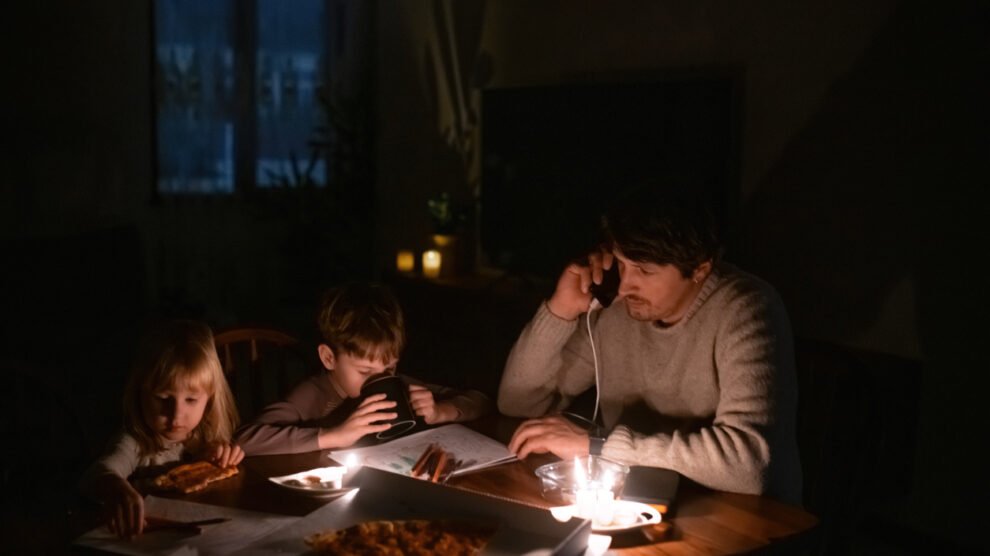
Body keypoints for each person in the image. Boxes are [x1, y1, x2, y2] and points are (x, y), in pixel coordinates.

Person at [498, 186, 803, 505]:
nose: (626, 285)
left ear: (700, 269)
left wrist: (599, 446)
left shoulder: (746, 308)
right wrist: (560, 310)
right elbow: (518, 403)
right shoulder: (616, 309)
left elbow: (749, 464)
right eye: (621, 263)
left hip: (737, 513)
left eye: (644, 270)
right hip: (638, 497)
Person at [235, 282, 492, 455]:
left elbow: (480, 400)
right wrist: (335, 436)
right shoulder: (316, 393)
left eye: (389, 368)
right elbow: (244, 439)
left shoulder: (396, 384)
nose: (380, 378)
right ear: (328, 358)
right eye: (365, 372)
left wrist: (441, 411)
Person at [79, 320, 243, 539]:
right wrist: (115, 488)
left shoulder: (204, 438)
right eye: (163, 398)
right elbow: (95, 476)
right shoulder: (134, 441)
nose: (176, 415)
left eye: (191, 400)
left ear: (210, 398)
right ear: (140, 392)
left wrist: (217, 458)